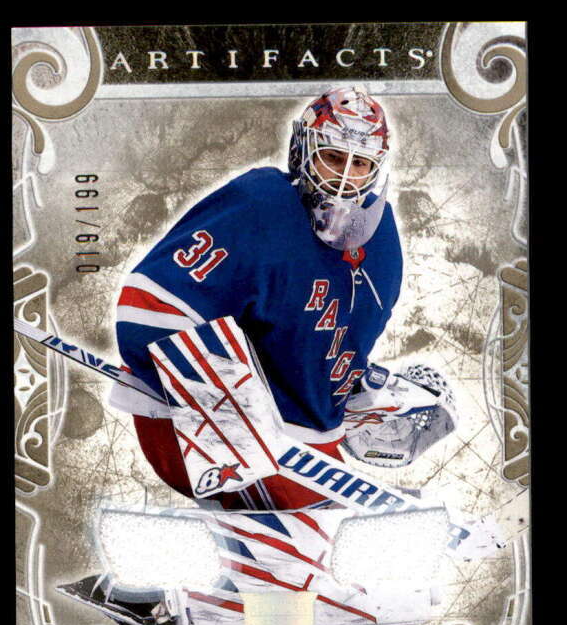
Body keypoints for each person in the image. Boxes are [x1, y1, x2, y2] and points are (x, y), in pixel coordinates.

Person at [111, 85, 403, 511]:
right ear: (303, 149)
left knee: (341, 536)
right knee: (317, 538)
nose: (344, 177)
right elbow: (149, 303)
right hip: (189, 424)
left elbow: (317, 348)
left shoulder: (382, 238)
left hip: (303, 441)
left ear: (376, 168)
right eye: (333, 157)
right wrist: (225, 405)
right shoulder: (263, 202)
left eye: (359, 163)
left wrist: (363, 393)